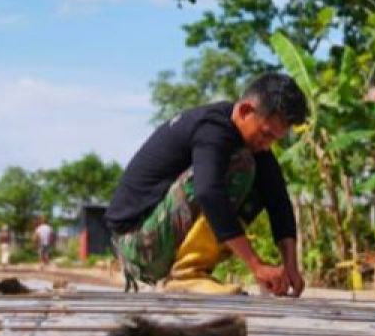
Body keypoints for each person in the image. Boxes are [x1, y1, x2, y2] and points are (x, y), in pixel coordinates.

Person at [106, 73, 308, 296]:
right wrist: (256, 266)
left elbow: (279, 201)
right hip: (136, 245)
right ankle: (187, 274)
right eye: (265, 135)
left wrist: (291, 266)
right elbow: (208, 192)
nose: (266, 145)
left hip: (155, 241)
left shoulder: (253, 144)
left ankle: (192, 271)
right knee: (240, 165)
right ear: (244, 111)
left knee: (262, 183)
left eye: (274, 139)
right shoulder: (213, 128)